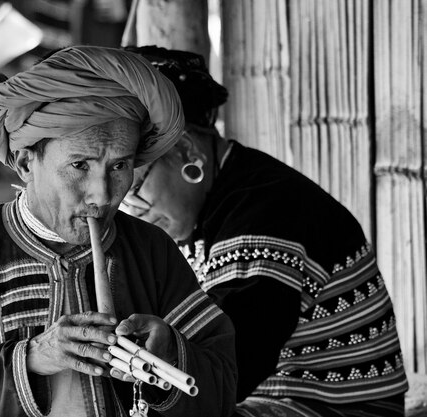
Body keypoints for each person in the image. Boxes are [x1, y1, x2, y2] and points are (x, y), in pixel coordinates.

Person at [0, 45, 237, 417]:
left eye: (119, 166)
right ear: (25, 162)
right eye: (80, 165)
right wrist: (34, 357)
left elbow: (222, 387)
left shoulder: (151, 251)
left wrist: (171, 353)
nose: (102, 194)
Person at [121, 45, 408, 417]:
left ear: (186, 150)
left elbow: (229, 372)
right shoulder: (217, 200)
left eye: (136, 186)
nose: (131, 207)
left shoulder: (264, 213)